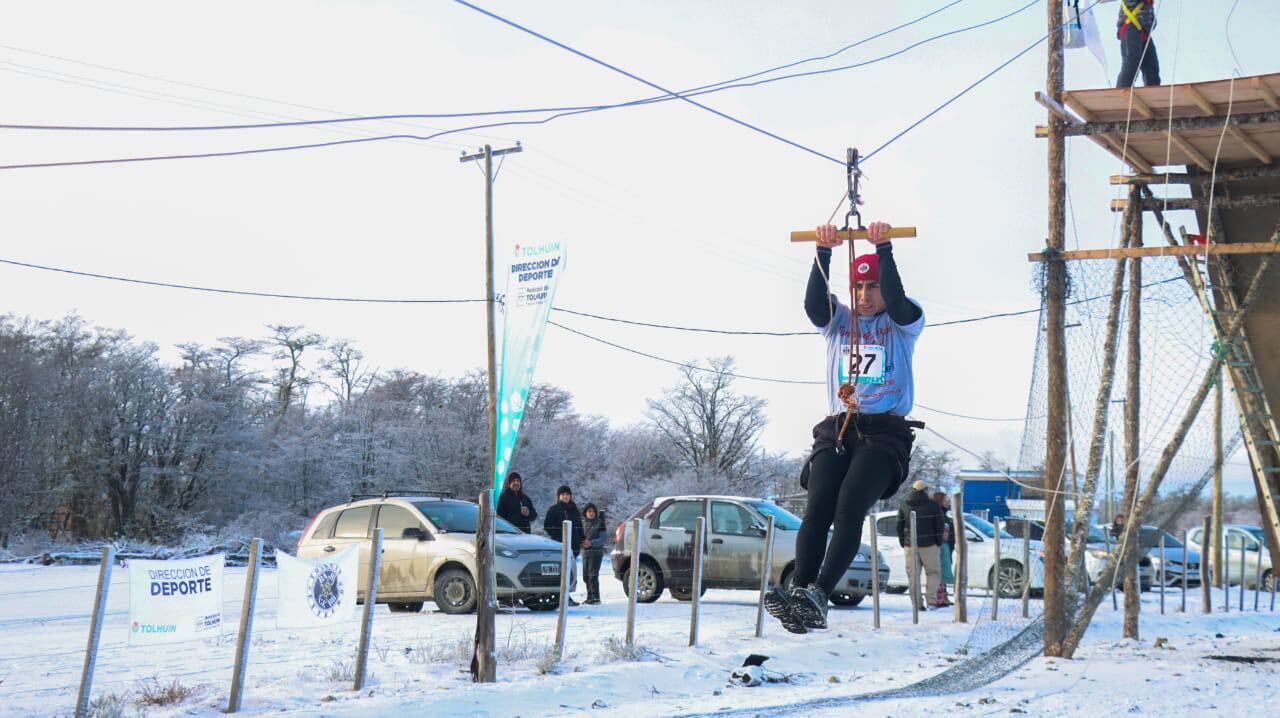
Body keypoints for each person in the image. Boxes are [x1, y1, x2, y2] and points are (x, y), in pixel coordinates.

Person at [765, 221, 925, 634]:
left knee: (850, 502)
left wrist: (883, 249)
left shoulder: (903, 324)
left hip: (883, 432)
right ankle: (800, 591)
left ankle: (821, 590)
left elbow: (898, 299)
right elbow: (814, 305)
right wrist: (823, 252)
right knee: (817, 507)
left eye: (872, 289)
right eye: (859, 289)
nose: (866, 296)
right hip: (838, 428)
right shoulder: (838, 321)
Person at [897, 480, 947, 611]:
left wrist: (903, 541)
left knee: (913, 575)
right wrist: (938, 542)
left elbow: (899, 525)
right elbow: (939, 525)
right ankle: (931, 601)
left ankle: (917, 603)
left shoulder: (904, 504)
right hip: (929, 545)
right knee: (933, 573)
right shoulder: (932, 505)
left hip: (909, 545)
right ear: (924, 490)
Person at [544, 485, 585, 606]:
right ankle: (561, 595)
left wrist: (582, 538)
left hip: (574, 545)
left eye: (567, 494)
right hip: (560, 544)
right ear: (559, 496)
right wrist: (559, 535)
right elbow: (547, 526)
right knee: (562, 571)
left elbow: (579, 525)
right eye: (563, 494)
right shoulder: (554, 509)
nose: (565, 496)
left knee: (570, 571)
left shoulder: (574, 509)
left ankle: (567, 594)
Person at [1111, 0, 1159, 88]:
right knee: (1131, 64)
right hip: (1131, 26)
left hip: (1143, 30)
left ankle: (1153, 96)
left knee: (1152, 69)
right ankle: (1120, 95)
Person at [580, 503, 607, 605]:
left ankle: (596, 597)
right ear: (585, 513)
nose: (591, 513)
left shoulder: (600, 523)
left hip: (596, 553)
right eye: (589, 511)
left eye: (593, 511)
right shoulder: (583, 524)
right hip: (585, 553)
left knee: (593, 575)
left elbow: (603, 538)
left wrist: (591, 543)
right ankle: (589, 597)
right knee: (585, 576)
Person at [932, 490, 955, 607]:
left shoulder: (945, 515)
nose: (948, 502)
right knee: (940, 573)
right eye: (946, 500)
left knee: (944, 572)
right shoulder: (939, 515)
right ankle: (940, 597)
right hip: (942, 546)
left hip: (947, 546)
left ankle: (944, 596)